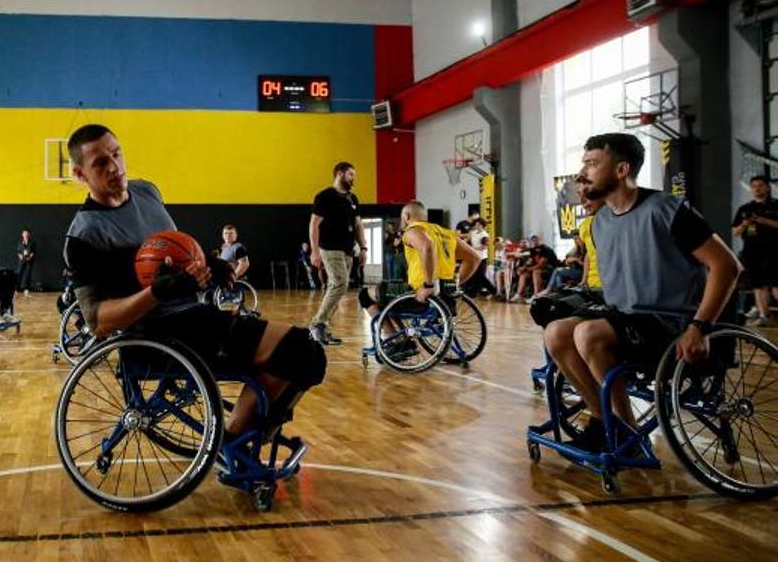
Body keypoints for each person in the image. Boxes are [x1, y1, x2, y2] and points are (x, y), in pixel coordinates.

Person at [63, 124, 326, 438]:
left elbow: (174, 251)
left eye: (116, 154)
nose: (114, 166)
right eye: (100, 163)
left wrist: (209, 265)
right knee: (298, 349)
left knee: (309, 357)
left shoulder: (147, 191)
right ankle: (232, 441)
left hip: (196, 318)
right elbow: (98, 322)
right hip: (157, 337)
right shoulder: (84, 235)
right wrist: (156, 293)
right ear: (80, 175)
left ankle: (247, 437)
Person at [542, 133, 740, 452]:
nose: (582, 172)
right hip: (628, 321)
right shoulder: (600, 221)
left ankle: (626, 432)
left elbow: (727, 266)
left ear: (621, 170)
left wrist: (700, 327)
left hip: (672, 325)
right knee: (556, 333)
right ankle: (604, 421)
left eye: (592, 164)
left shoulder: (666, 209)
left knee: (588, 334)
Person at [357, 201, 482, 325]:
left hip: (419, 295)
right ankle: (401, 338)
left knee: (365, 295)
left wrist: (428, 285)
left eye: (401, 218)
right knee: (387, 294)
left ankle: (393, 337)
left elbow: (427, 247)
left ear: (406, 216)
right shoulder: (447, 234)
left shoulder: (413, 230)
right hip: (446, 297)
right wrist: (455, 284)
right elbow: (475, 258)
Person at [309, 162, 367, 345]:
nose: (353, 178)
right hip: (329, 247)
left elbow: (358, 225)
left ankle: (323, 329)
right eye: (351, 175)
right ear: (339, 174)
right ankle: (317, 324)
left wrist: (363, 248)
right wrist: (315, 251)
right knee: (340, 284)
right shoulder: (324, 196)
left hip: (348, 249)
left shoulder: (353, 198)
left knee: (337, 287)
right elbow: (314, 225)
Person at [731, 175, 778, 326]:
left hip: (773, 251)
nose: (757, 188)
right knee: (758, 284)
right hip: (752, 252)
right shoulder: (745, 209)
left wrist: (764, 221)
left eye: (760, 185)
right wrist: (745, 224)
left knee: (776, 284)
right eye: (754, 186)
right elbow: (735, 232)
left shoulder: (776, 206)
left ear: (768, 187)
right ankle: (765, 315)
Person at [512, 235, 558, 301]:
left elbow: (541, 264)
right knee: (524, 274)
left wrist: (528, 269)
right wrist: (523, 268)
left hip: (550, 270)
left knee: (536, 272)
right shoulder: (533, 250)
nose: (535, 242)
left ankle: (536, 295)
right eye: (533, 241)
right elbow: (529, 261)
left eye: (536, 240)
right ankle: (519, 294)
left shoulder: (546, 249)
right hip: (538, 269)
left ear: (541, 240)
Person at [463, 218, 497, 297]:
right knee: (474, 275)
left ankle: (493, 290)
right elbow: (466, 239)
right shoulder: (473, 232)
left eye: (479, 225)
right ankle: (473, 293)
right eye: (476, 224)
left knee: (481, 276)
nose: (477, 226)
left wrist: (472, 248)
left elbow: (484, 247)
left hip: (482, 258)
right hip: (474, 257)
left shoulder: (485, 235)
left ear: (483, 226)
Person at [16, 229, 36, 295]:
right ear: (22, 235)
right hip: (22, 261)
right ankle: (17, 288)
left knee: (28, 274)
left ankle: (26, 289)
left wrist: (30, 257)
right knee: (19, 273)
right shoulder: (20, 242)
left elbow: (33, 252)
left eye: (27, 233)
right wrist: (20, 256)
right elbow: (18, 252)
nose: (26, 235)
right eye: (24, 233)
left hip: (29, 260)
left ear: (29, 235)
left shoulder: (32, 243)